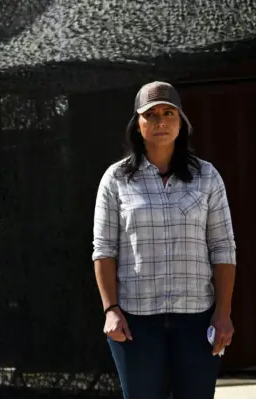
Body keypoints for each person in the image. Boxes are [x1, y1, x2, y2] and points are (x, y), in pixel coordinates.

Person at [92, 81, 237, 399]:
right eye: (151, 114)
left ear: (181, 122)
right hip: (136, 323)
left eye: (168, 112)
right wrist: (111, 309)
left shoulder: (207, 176)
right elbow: (104, 249)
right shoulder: (116, 179)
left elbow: (223, 247)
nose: (160, 121)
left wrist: (223, 312)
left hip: (197, 320)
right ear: (137, 124)